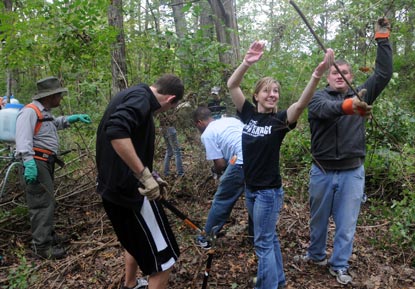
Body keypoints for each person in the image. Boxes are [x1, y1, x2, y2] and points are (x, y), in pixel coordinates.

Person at [227, 40, 334, 289]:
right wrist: (246, 62)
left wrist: (316, 75)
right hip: (251, 189)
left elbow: (300, 104)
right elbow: (232, 85)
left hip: (268, 192)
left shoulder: (280, 120)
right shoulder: (248, 114)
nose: (272, 94)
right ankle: (279, 280)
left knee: (262, 243)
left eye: (275, 91)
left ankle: (267, 285)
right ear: (256, 95)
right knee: (269, 239)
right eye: (267, 90)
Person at [299, 17, 393, 285]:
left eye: (345, 73)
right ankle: (315, 255)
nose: (340, 77)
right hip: (322, 171)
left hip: (352, 172)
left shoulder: (362, 93)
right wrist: (352, 105)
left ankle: (338, 264)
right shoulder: (318, 97)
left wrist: (382, 36)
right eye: (335, 73)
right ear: (328, 77)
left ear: (351, 77)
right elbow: (325, 111)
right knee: (318, 221)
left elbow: (384, 74)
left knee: (346, 224)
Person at [95, 74, 184, 289]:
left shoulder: (132, 94)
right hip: (131, 194)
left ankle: (131, 284)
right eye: (170, 109)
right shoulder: (142, 99)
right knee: (165, 259)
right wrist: (143, 175)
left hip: (113, 190)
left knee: (137, 241)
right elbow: (116, 130)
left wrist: (152, 176)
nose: (163, 114)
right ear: (170, 99)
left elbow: (128, 145)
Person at [15, 76, 91, 259]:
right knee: (41, 203)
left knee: (47, 201)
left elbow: (53, 124)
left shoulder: (44, 112)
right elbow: (22, 139)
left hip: (45, 162)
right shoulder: (29, 112)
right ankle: (41, 248)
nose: (61, 99)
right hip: (36, 163)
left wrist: (72, 119)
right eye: (59, 95)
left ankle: (47, 236)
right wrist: (29, 163)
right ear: (50, 96)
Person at [192, 106, 253, 249]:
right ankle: (255, 238)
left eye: (196, 126)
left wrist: (216, 170)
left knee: (221, 200)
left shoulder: (207, 133)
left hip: (240, 161)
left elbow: (220, 164)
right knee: (253, 198)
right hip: (257, 158)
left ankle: (206, 239)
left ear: (199, 122)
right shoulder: (230, 120)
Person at [158, 112, 184, 177]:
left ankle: (166, 173)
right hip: (169, 128)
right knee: (177, 152)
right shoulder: (169, 106)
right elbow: (172, 118)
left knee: (169, 151)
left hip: (163, 128)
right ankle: (180, 174)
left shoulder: (161, 106)